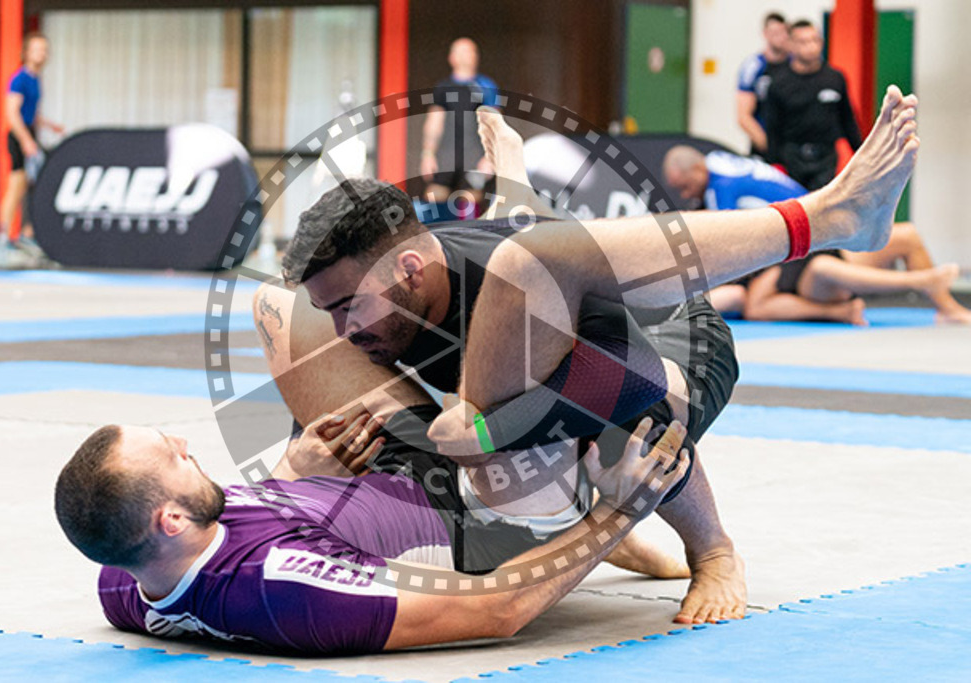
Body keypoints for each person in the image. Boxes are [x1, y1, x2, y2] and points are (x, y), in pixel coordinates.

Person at [269, 84, 919, 624]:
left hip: (669, 345)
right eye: (331, 307)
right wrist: (300, 466)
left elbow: (629, 381)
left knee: (606, 423)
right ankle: (603, 523)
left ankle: (715, 549)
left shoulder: (512, 273)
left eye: (351, 304)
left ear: (410, 269)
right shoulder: (417, 273)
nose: (343, 326)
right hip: (549, 319)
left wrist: (483, 430)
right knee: (463, 355)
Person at [54, 408, 688, 654]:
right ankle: (574, 520)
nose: (187, 443)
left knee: (289, 309)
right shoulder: (291, 592)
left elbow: (244, 540)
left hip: (386, 476)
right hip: (475, 519)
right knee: (571, 383)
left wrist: (290, 476)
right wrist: (620, 513)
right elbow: (501, 609)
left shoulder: (123, 577)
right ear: (170, 519)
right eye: (174, 456)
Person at [662, 145, 970, 324]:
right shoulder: (723, 163)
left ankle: (935, 296)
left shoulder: (721, 188)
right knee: (904, 237)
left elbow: (721, 242)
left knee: (761, 299)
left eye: (685, 186)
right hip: (810, 228)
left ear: (697, 172)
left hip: (797, 238)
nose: (685, 194)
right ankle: (944, 303)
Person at [765, 20, 863, 190]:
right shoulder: (778, 83)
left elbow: (847, 119)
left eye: (814, 40)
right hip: (792, 156)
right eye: (803, 42)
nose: (810, 46)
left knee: (822, 208)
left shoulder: (834, 78)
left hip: (825, 156)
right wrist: (774, 164)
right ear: (791, 45)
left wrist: (861, 154)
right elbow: (773, 128)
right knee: (795, 207)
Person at [0, 32, 64, 261]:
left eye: (44, 49)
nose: (41, 54)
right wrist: (25, 140)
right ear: (26, 52)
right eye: (36, 49)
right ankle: (3, 234)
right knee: (16, 185)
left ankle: (27, 233)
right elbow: (12, 114)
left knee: (32, 186)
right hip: (18, 136)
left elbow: (32, 114)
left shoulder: (36, 79)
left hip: (30, 134)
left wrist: (50, 125)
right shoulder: (20, 79)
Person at [420, 38, 499, 211]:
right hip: (446, 154)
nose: (465, 56)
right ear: (451, 57)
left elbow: (494, 123)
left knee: (470, 202)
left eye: (470, 51)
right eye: (460, 52)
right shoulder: (443, 87)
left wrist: (489, 158)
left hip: (474, 154)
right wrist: (428, 154)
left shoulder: (485, 86)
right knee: (434, 197)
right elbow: (434, 121)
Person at [737, 12, 790, 160]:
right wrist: (767, 145)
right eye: (774, 32)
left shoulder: (795, 64)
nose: (780, 37)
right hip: (764, 144)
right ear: (765, 34)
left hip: (791, 146)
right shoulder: (754, 66)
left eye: (783, 32)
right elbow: (743, 116)